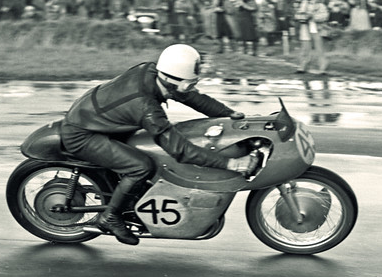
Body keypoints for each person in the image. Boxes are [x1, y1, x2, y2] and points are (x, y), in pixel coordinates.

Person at [60, 44, 253, 246]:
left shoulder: (156, 73)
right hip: (83, 133)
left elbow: (190, 96)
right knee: (141, 166)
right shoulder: (146, 108)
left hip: (98, 119)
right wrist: (231, 164)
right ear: (169, 80)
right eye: (189, 84)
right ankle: (109, 217)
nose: (191, 89)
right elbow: (180, 151)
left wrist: (226, 113)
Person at [293, 0, 329, 74]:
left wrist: (313, 16)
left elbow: (325, 16)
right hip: (305, 27)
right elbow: (297, 15)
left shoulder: (320, 4)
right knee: (305, 49)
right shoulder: (303, 3)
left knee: (319, 49)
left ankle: (323, 68)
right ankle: (302, 67)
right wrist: (302, 16)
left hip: (316, 28)